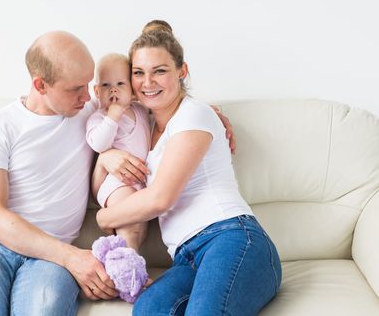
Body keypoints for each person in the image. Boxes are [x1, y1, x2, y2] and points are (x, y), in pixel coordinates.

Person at [95, 20, 282, 316]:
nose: (148, 82)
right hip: (186, 258)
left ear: (182, 72)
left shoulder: (195, 113)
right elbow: (98, 167)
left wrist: (104, 217)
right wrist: (106, 156)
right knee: (147, 310)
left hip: (231, 237)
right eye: (139, 73)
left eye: (160, 71)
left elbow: (160, 198)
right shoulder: (142, 126)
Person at [0, 31, 121, 316]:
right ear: (40, 84)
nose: (87, 96)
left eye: (88, 84)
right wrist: (73, 258)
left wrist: (203, 114)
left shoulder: (88, 111)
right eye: (76, 88)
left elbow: (151, 103)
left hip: (49, 260)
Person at [86, 53, 150, 251]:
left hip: (141, 183)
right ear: (97, 91)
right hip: (115, 183)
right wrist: (112, 117)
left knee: (140, 231)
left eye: (120, 83)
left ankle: (121, 258)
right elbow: (99, 144)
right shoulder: (98, 118)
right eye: (105, 85)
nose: (113, 89)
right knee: (129, 228)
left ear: (132, 89)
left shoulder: (141, 111)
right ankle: (129, 269)